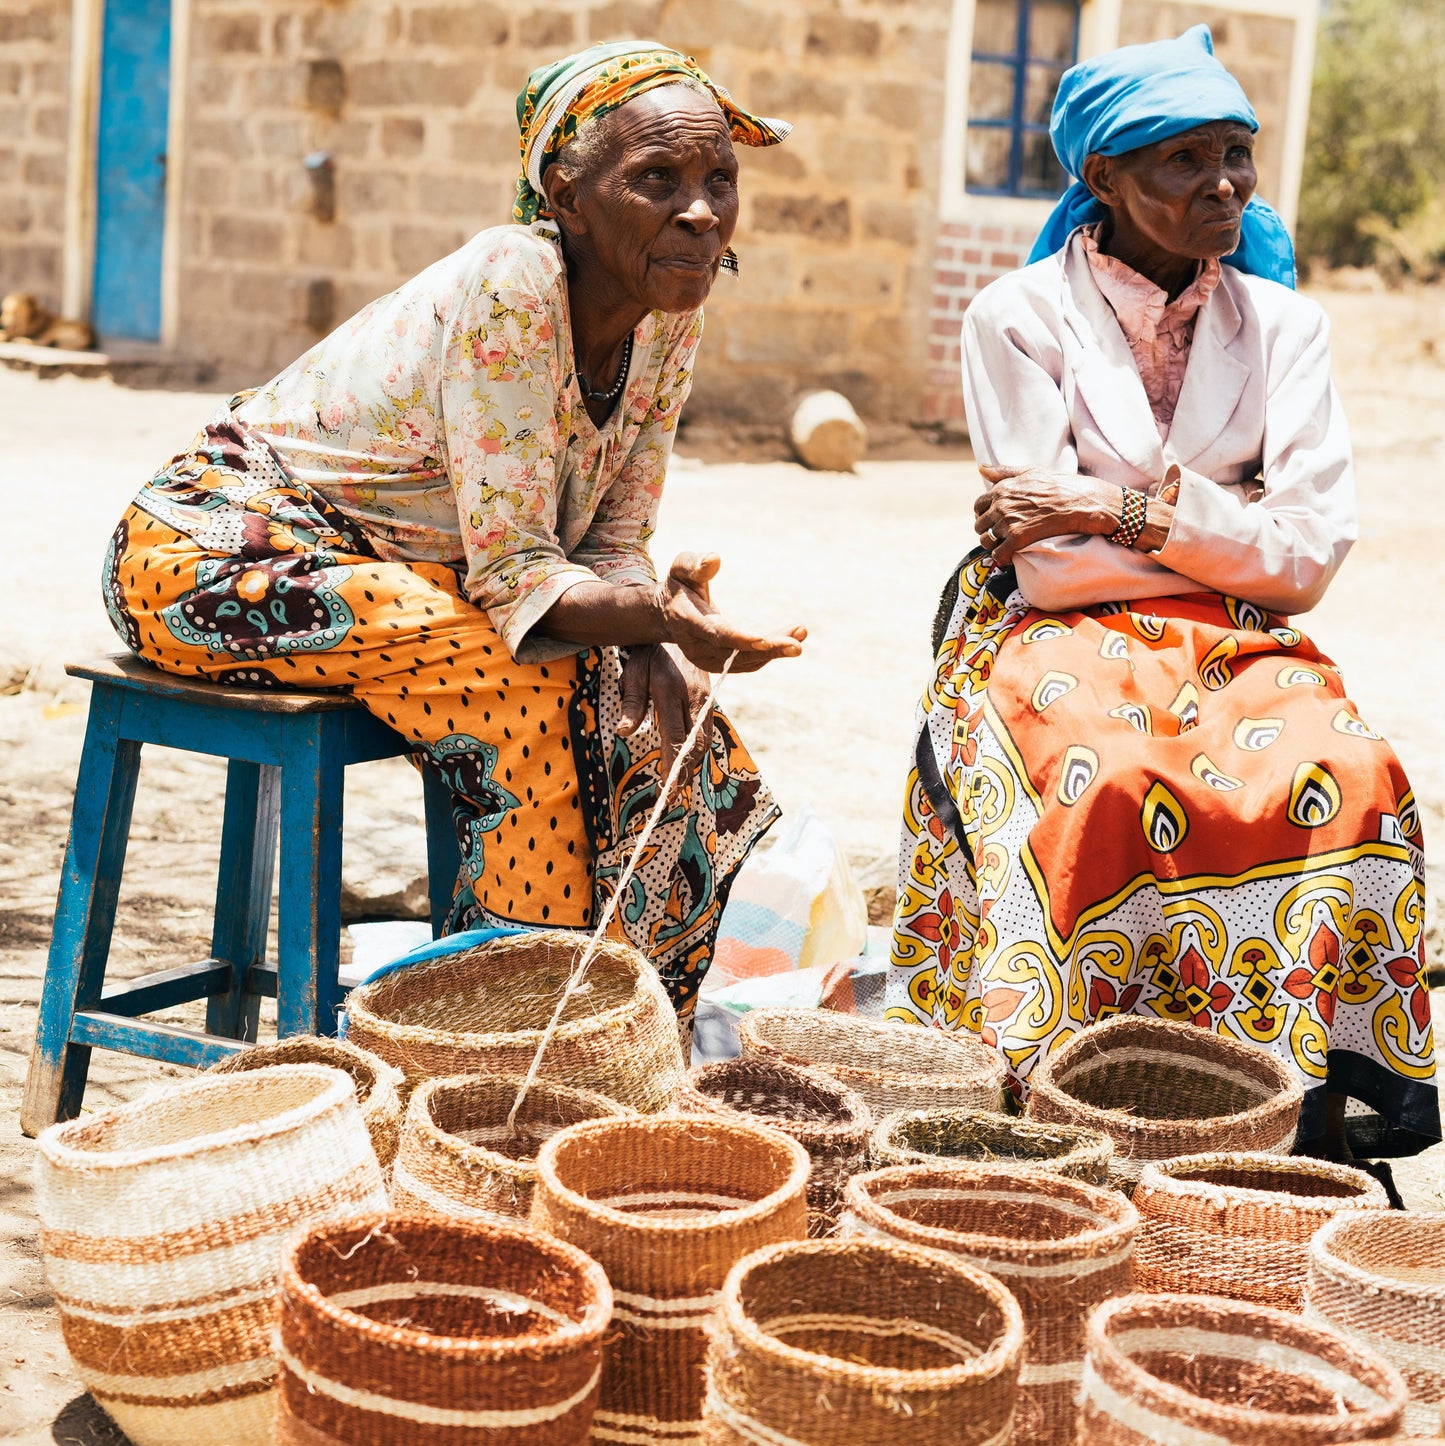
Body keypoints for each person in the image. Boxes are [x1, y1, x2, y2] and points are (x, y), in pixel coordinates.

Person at [102, 41, 806, 1026]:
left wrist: (650, 628)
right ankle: (505, 1052)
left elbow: (607, 542)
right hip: (208, 564)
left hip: (391, 582)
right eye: (657, 180)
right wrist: (652, 616)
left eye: (718, 180)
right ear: (564, 195)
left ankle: (623, 1036)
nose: (700, 210)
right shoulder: (515, 277)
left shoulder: (665, 304)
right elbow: (518, 575)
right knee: (523, 697)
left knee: (670, 731)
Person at [888, 25, 1436, 1157]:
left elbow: (1308, 562)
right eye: (1182, 161)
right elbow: (1047, 566)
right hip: (1053, 633)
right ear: (1102, 180)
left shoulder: (1284, 326)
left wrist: (1112, 507)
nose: (1222, 185)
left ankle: (1291, 1100)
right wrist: (1217, 529)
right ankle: (1075, 1096)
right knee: (1112, 784)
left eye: (1233, 153)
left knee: (1346, 772)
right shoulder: (1016, 317)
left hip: (1233, 641)